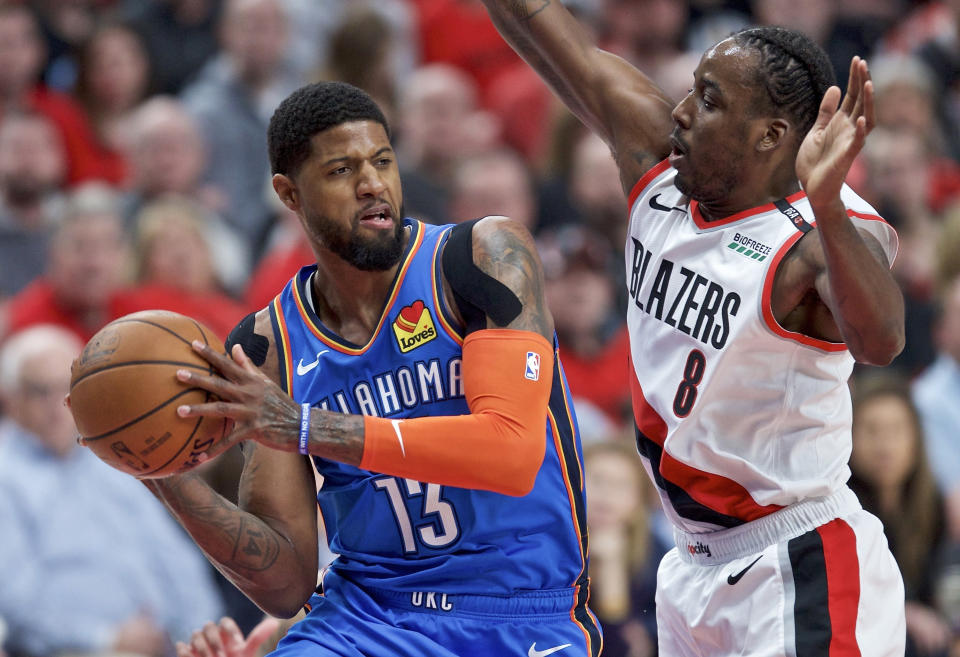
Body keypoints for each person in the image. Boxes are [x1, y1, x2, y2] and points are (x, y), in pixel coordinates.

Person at [113, 81, 600, 656]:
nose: (372, 184)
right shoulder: (270, 346)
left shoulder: (479, 258)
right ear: (289, 194)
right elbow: (287, 581)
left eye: (382, 161)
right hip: (364, 617)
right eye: (342, 170)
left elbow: (512, 453)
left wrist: (306, 426)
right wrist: (160, 473)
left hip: (516, 611)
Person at [478, 3, 906, 655]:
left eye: (708, 101)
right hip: (689, 562)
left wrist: (826, 205)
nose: (681, 112)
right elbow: (542, 34)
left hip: (798, 557)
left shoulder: (817, 239)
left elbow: (881, 341)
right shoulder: (660, 162)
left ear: (770, 135)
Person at [0, 325, 223, 657]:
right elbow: (15, 599)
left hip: (167, 643)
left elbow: (176, 560)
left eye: (67, 390)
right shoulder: (6, 475)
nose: (57, 405)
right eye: (41, 391)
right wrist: (104, 639)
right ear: (12, 399)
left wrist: (203, 634)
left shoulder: (112, 456)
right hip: (74, 649)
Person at [849, 374, 952, 657]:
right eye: (871, 430)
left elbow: (939, 589)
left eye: (897, 430)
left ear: (916, 438)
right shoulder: (842, 512)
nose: (885, 446)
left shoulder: (932, 505)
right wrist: (904, 612)